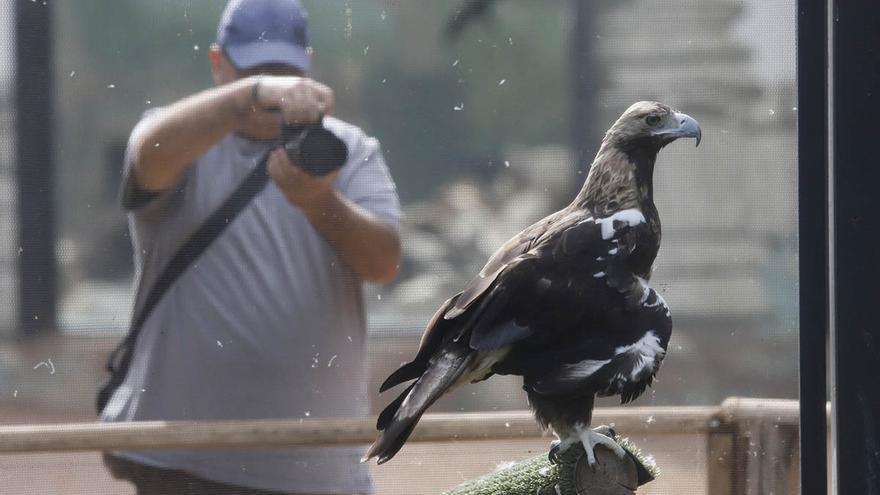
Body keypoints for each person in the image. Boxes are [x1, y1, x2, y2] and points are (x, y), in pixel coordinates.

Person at [99, 0, 401, 493]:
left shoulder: (349, 149)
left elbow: (383, 261)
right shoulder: (182, 138)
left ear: (306, 67)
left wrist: (318, 201)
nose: (270, 91)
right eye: (255, 70)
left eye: (283, 71)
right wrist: (249, 97)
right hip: (183, 462)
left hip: (316, 470)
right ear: (219, 65)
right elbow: (147, 158)